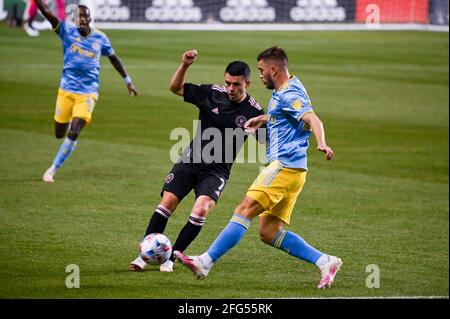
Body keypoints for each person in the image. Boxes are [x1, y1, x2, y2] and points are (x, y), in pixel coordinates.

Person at [174, 46, 342, 289]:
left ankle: (205, 261)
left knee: (244, 209)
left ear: (274, 69)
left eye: (262, 70)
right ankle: (325, 261)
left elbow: (312, 118)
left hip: (283, 166)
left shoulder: (288, 93)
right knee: (269, 232)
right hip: (296, 172)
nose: (260, 75)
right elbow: (289, 115)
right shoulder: (287, 88)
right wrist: (264, 119)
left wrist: (323, 143)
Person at [130, 50, 265, 273]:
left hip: (217, 170)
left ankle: (171, 258)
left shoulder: (255, 110)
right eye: (228, 83)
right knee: (167, 203)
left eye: (236, 85)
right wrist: (184, 65)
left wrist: (258, 130)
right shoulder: (212, 93)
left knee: (201, 210)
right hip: (191, 160)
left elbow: (266, 141)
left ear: (247, 84)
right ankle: (144, 255)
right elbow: (175, 88)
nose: (230, 88)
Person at [32, 0, 138, 183]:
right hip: (66, 91)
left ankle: (52, 170)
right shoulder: (66, 31)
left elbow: (113, 58)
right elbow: (48, 12)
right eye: (79, 16)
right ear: (74, 19)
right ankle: (64, 143)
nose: (82, 19)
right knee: (59, 133)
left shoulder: (101, 38)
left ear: (90, 18)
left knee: (74, 131)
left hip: (88, 94)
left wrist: (128, 81)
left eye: (85, 16)